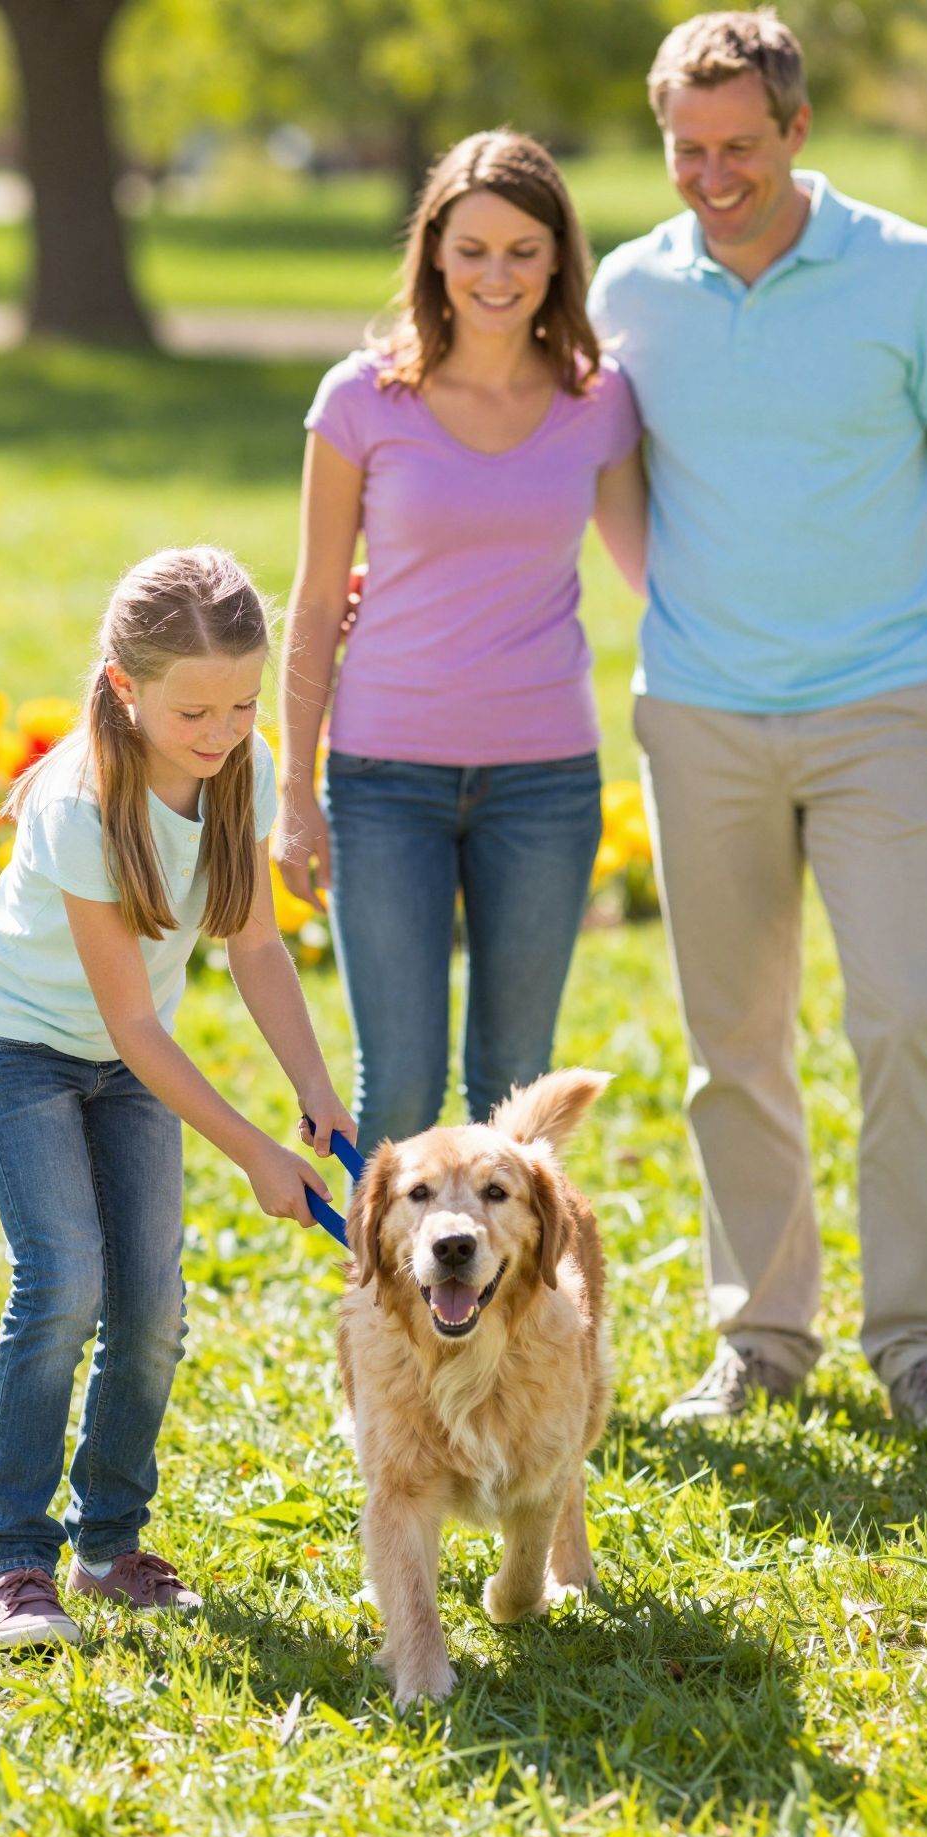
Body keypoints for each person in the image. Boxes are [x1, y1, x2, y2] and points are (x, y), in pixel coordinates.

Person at [587, 9, 927, 1436]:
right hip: (701, 715)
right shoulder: (630, 287)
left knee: (908, 1018)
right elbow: (609, 482)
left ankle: (925, 1344)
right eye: (687, 149)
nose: (713, 176)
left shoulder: (912, 272)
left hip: (884, 705)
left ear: (798, 130)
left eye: (740, 146)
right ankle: (760, 1336)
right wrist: (692, 610)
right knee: (732, 1041)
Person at [0, 546, 355, 1648]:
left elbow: (256, 945)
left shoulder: (241, 766)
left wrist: (314, 1088)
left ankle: (108, 1544)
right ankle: (12, 1562)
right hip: (24, 1047)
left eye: (243, 703)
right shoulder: (81, 803)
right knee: (63, 1282)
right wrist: (257, 1151)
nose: (223, 731)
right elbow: (134, 1025)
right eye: (194, 711)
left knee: (153, 1306)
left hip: (129, 1060)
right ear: (124, 687)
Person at [273, 130, 646, 1154]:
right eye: (472, 249)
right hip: (384, 775)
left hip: (545, 781)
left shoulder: (598, 397)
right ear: (433, 250)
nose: (497, 275)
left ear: (559, 258)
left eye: (524, 251)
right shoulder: (360, 399)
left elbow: (653, 565)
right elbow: (315, 601)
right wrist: (295, 793)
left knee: (513, 1083)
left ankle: (505, 1272)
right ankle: (381, 1270)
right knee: (398, 1083)